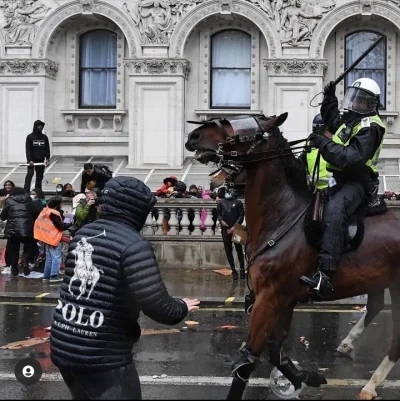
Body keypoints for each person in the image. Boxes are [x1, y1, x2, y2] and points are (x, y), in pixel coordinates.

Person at [50, 176, 200, 400]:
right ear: (136, 209)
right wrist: (181, 307)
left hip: (64, 345)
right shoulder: (133, 245)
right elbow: (157, 306)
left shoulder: (83, 233)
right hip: (103, 357)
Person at [299, 78, 387, 298]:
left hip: (358, 181)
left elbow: (352, 157)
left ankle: (325, 276)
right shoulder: (351, 120)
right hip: (339, 180)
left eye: (360, 100)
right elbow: (331, 117)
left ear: (371, 103)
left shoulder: (371, 126)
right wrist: (330, 96)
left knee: (334, 211)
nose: (355, 103)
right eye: (353, 98)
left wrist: (323, 143)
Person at [0, 187, 35, 276]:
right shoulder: (29, 200)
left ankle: (14, 269)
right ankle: (25, 261)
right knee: (28, 247)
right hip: (26, 228)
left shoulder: (9, 201)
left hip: (13, 229)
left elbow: (3, 216)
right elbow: (34, 213)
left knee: (14, 250)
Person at [34, 197, 68, 284]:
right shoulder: (54, 213)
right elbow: (61, 227)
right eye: (61, 203)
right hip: (54, 238)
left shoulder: (45, 211)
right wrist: (71, 222)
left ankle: (47, 275)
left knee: (49, 258)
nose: (62, 205)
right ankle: (54, 276)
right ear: (57, 205)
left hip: (46, 238)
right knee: (56, 258)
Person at [217, 188, 245, 280]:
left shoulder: (238, 203)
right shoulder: (221, 203)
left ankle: (242, 269)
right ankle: (233, 270)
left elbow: (241, 215)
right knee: (228, 250)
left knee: (238, 249)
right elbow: (218, 214)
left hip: (236, 230)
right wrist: (222, 221)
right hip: (225, 230)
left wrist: (234, 227)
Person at [24, 120, 50, 191]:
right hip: (32, 160)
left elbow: (47, 149)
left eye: (41, 126)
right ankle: (26, 191)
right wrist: (29, 160)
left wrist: (48, 158)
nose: (40, 127)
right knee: (30, 175)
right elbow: (28, 149)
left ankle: (38, 191)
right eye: (39, 126)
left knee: (39, 177)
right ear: (35, 126)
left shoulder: (44, 137)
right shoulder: (30, 137)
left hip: (41, 160)